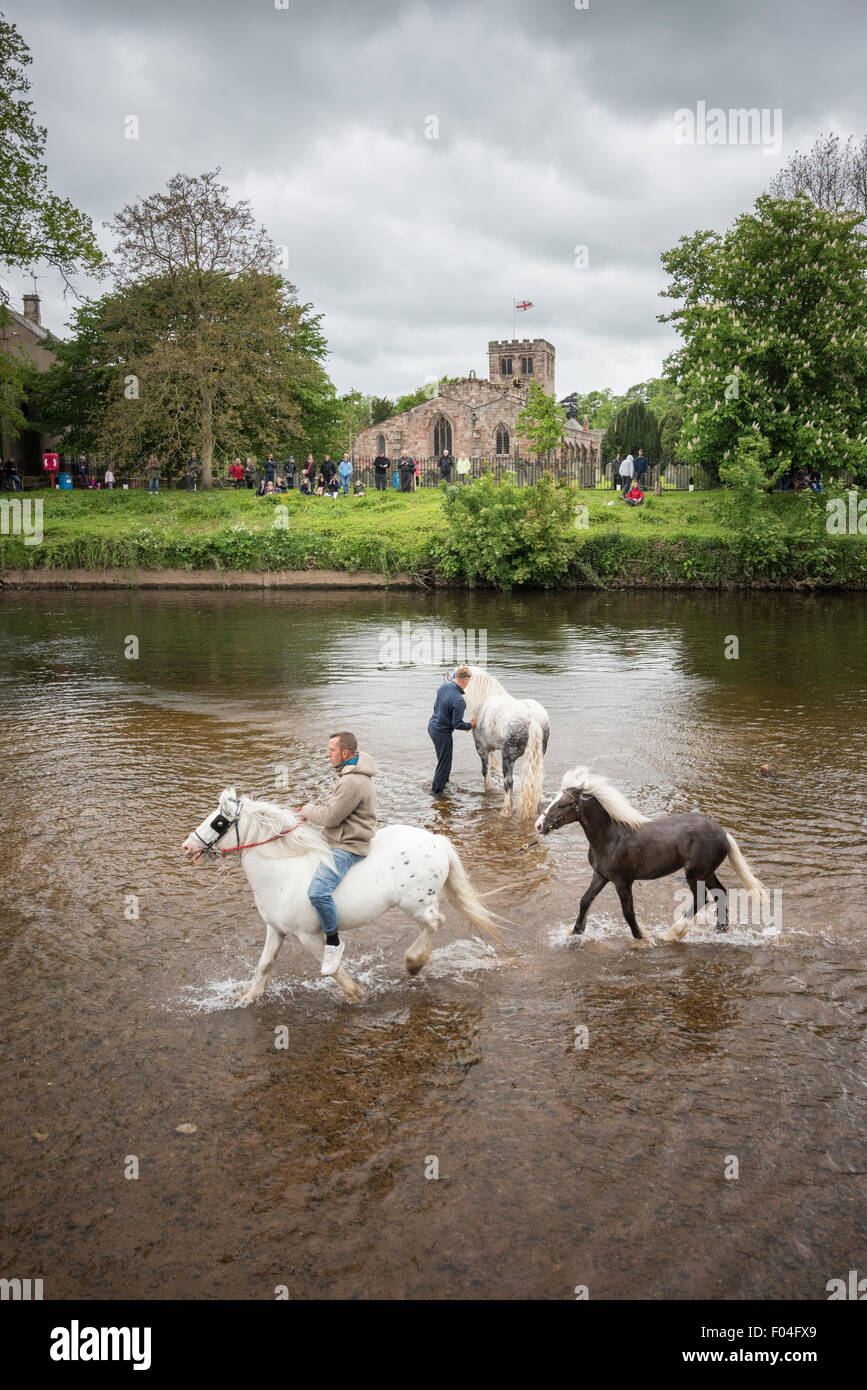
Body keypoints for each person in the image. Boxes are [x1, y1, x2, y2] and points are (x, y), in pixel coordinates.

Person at [300, 732, 378, 976]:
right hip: (339, 836)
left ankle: (333, 942)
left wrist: (308, 810)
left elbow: (331, 817)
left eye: (331, 750)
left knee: (317, 891)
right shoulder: (351, 771)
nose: (327, 754)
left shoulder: (352, 782)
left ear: (346, 754)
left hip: (349, 845)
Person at [428, 665, 476, 797]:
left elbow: (437, 705)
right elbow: (457, 724)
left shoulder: (444, 686)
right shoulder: (459, 701)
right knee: (444, 764)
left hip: (432, 726)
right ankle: (436, 794)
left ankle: (444, 782)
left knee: (442, 760)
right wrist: (471, 725)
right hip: (442, 733)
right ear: (465, 681)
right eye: (468, 682)